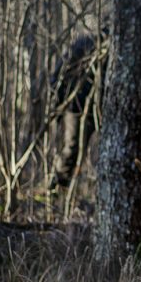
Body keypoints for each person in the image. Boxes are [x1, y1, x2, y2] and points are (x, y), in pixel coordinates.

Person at [50, 30, 107, 189]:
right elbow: (59, 75)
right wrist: (59, 104)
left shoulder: (113, 48)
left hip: (101, 109)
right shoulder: (80, 45)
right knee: (72, 150)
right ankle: (58, 188)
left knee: (102, 151)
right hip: (76, 108)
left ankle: (93, 188)